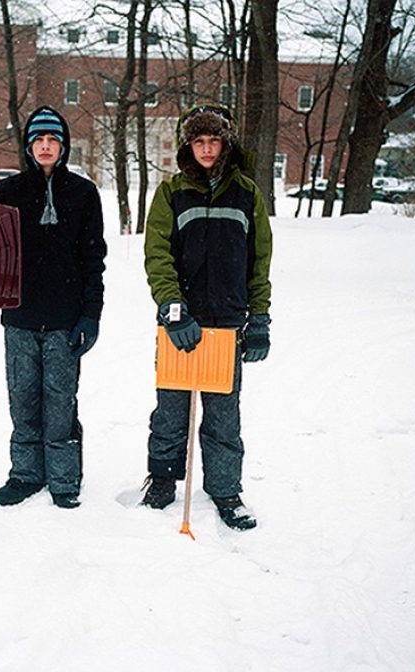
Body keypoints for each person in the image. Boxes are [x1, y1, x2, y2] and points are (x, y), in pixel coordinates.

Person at [0, 106, 107, 509]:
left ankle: (64, 478)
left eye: (53, 140)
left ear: (63, 146)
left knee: (60, 402)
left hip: (64, 320)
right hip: (20, 318)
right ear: (29, 146)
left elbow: (93, 259)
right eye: (38, 140)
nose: (45, 146)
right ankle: (26, 474)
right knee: (23, 399)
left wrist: (91, 315)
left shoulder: (83, 194)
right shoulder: (9, 193)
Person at [142, 104, 273, 530]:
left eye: (213, 140)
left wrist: (260, 320)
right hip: (180, 322)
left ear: (225, 143)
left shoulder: (247, 194)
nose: (206, 149)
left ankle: (225, 489)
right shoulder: (171, 193)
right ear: (188, 145)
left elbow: (259, 261)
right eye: (198, 141)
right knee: (171, 410)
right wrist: (171, 307)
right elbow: (157, 254)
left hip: (227, 323)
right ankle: (162, 479)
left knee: (222, 414)